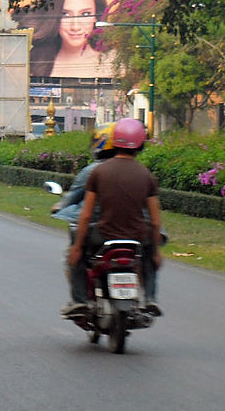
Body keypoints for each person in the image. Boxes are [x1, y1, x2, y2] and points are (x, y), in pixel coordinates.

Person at [67, 118, 163, 317]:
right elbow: (154, 220)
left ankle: (80, 301)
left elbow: (85, 215)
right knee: (147, 259)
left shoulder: (98, 172)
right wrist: (155, 253)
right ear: (140, 145)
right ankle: (150, 299)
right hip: (137, 237)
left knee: (76, 258)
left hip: (103, 235)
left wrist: (76, 248)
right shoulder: (147, 176)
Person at [54, 123, 115, 312]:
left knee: (75, 255)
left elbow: (75, 198)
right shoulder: (136, 170)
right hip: (129, 230)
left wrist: (60, 206)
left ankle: (79, 300)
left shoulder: (91, 171)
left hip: (96, 229)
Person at [13, 0, 111, 77]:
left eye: (85, 14)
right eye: (65, 14)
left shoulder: (113, 63)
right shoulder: (32, 63)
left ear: (96, 16)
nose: (75, 26)